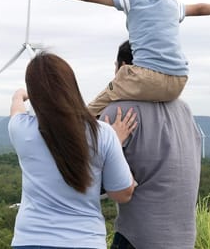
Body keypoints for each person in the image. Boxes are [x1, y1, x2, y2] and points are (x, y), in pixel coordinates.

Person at [24, 0, 210, 117]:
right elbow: (199, 8)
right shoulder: (172, 4)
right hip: (178, 81)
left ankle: (81, 127)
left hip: (147, 78)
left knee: (93, 109)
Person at [9, 52, 137, 249]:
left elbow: (17, 108)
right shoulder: (103, 134)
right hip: (85, 240)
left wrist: (20, 94)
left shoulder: (21, 130)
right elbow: (122, 193)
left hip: (30, 240)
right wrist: (115, 144)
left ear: (35, 94)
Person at [101, 40, 202, 249]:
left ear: (123, 69)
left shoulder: (117, 112)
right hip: (184, 239)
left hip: (138, 238)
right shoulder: (184, 110)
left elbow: (91, 179)